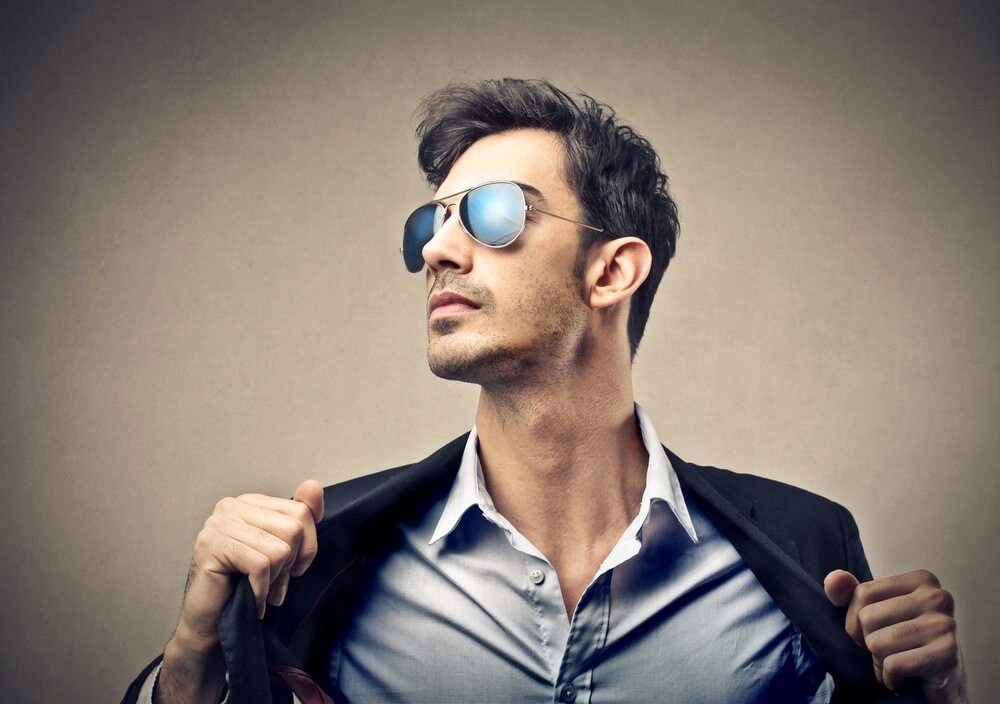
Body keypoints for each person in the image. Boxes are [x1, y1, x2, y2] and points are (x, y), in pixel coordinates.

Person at [122, 78, 969, 704]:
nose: (437, 252)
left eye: (491, 214)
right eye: (433, 221)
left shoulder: (807, 546)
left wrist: (936, 696)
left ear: (610, 271)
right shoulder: (315, 560)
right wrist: (195, 655)